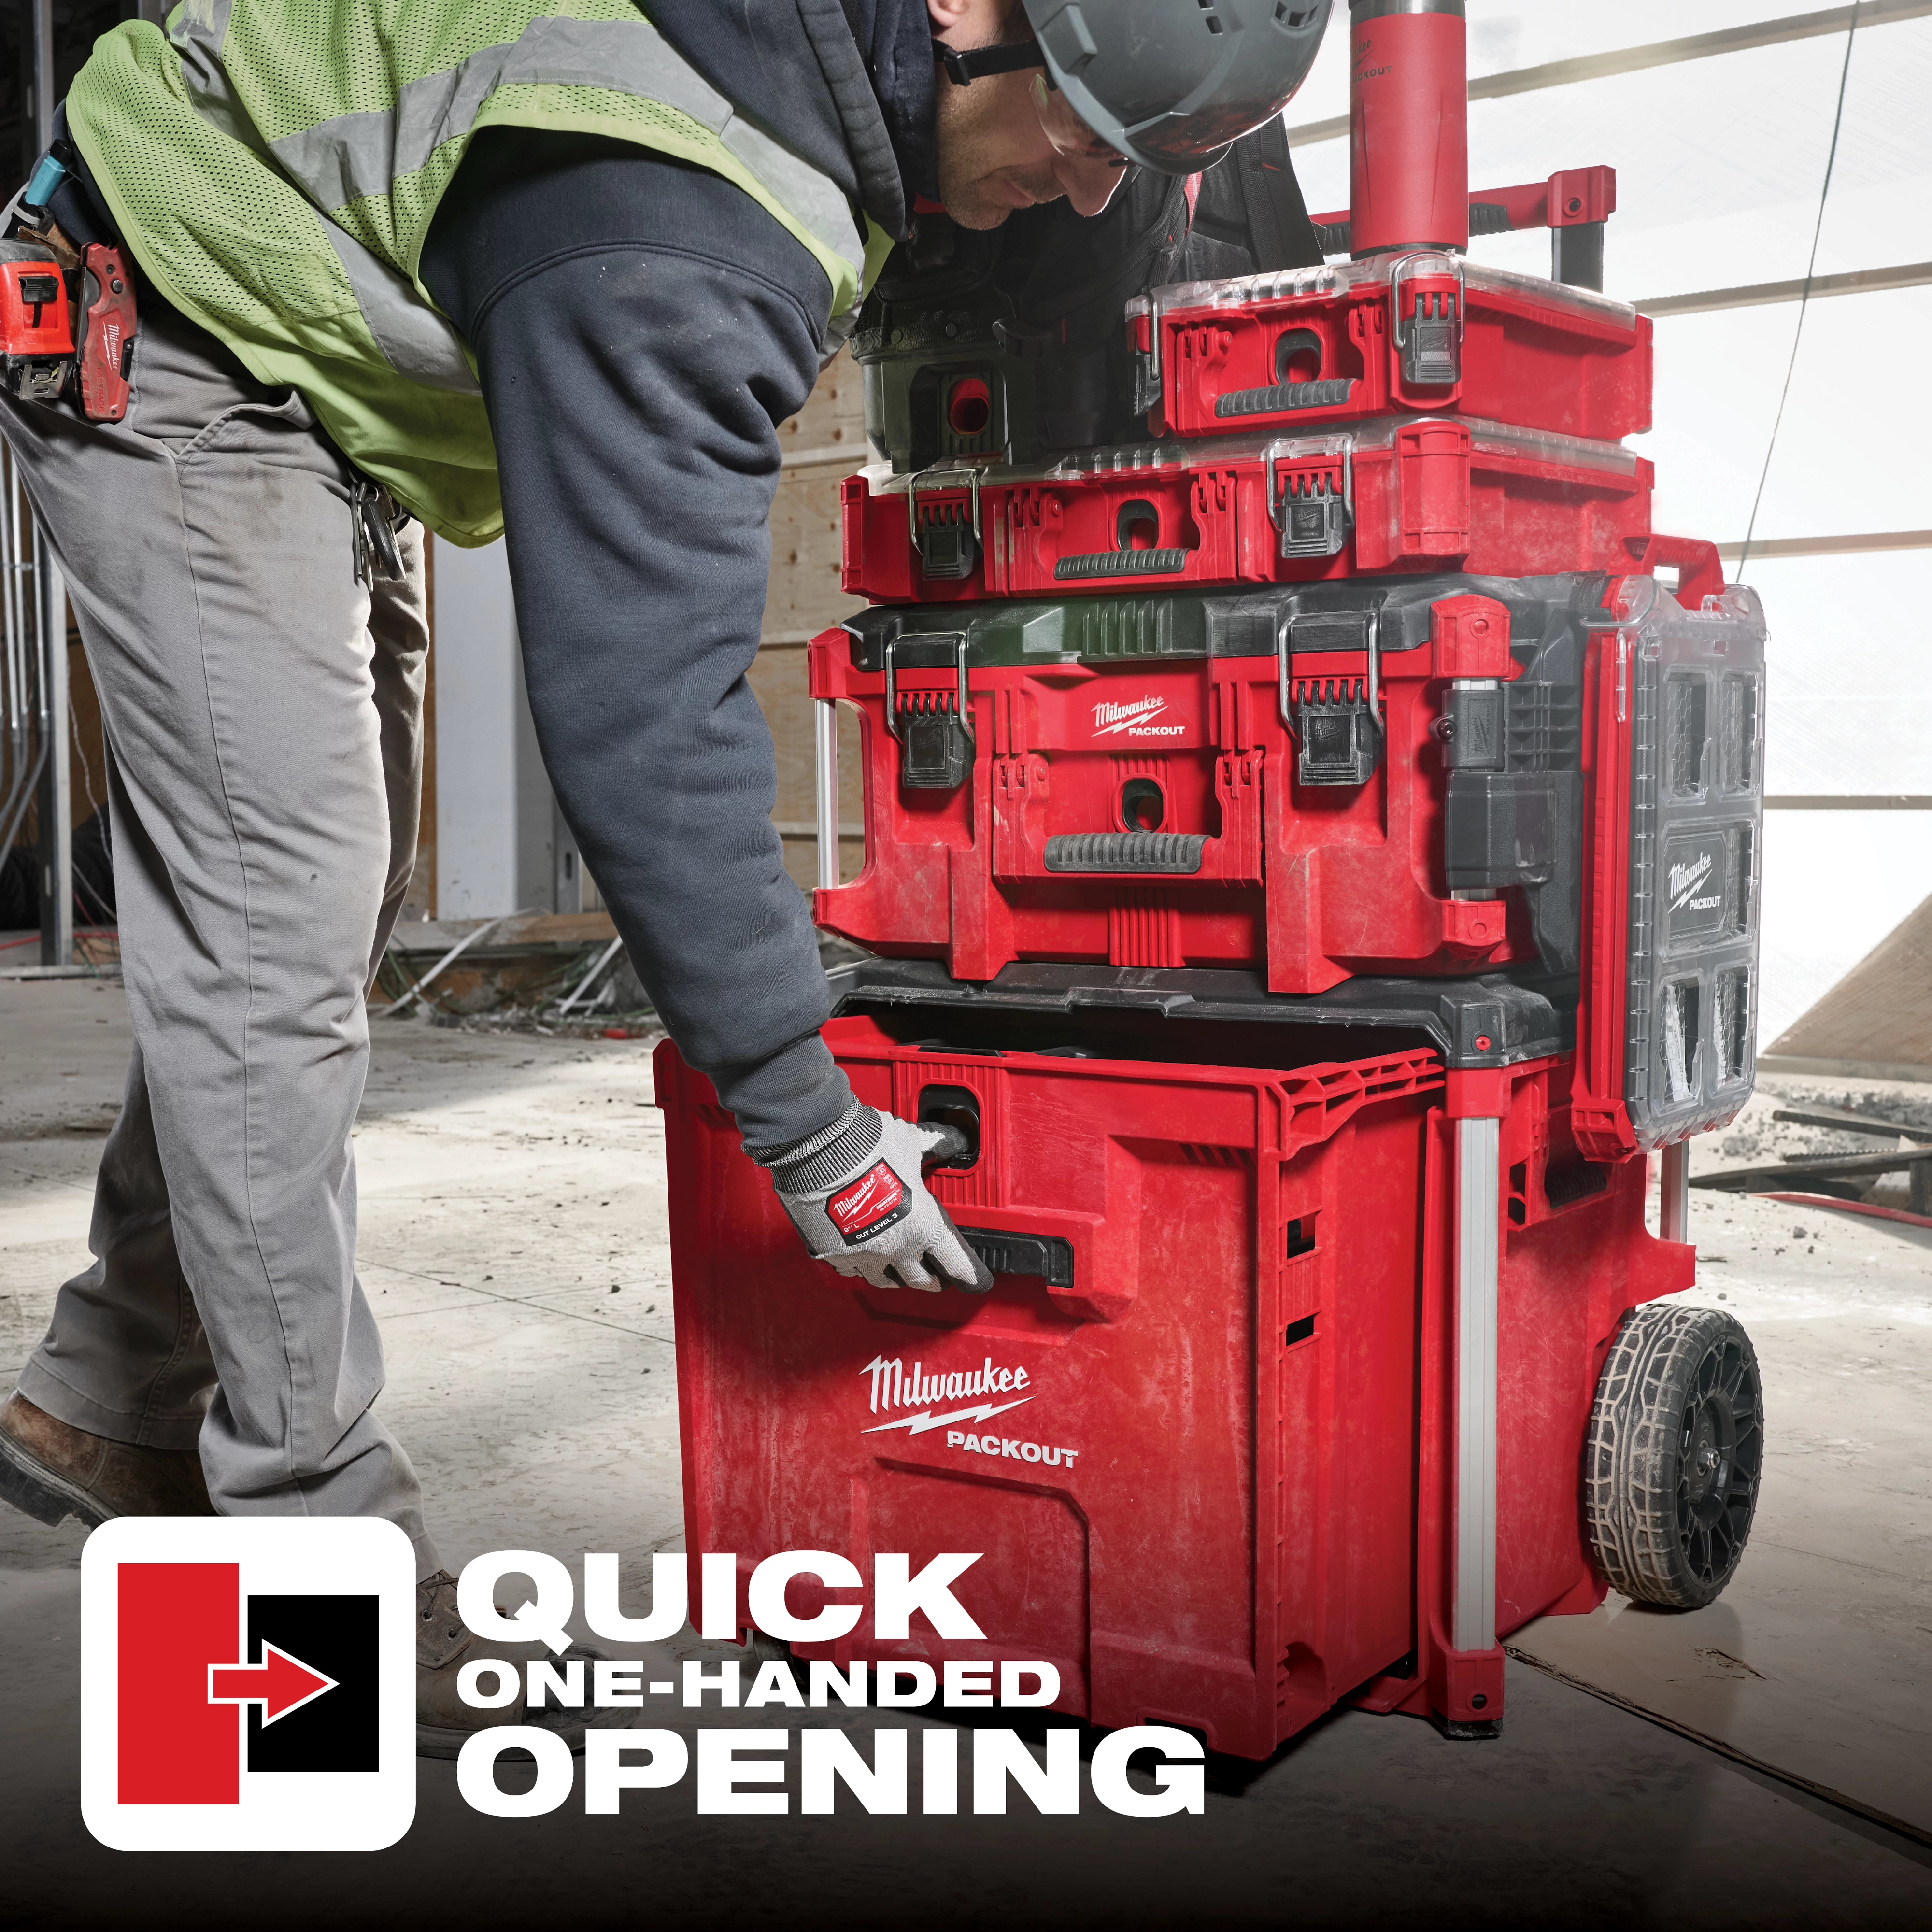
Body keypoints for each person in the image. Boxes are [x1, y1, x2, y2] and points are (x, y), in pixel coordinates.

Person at [0, 0, 1331, 1749]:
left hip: (311, 341)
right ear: (966, 10)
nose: (1092, 189)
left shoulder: (828, 92)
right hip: (169, 300)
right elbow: (643, 716)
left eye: (1140, 160)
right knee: (277, 913)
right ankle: (308, 1569)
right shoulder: (681, 199)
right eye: (1087, 125)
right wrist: (812, 1127)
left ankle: (104, 1395)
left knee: (304, 905)